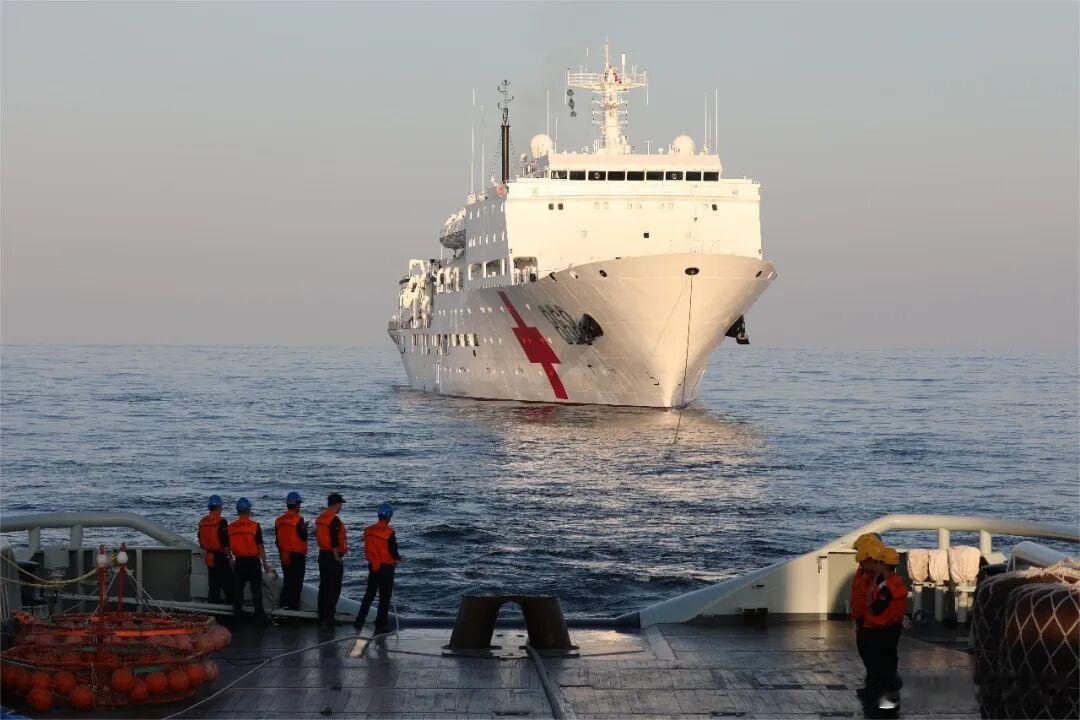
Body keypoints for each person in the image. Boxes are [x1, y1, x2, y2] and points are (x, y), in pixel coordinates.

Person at [863, 546, 909, 711]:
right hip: (892, 628)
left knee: (880, 665)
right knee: (889, 663)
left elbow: (876, 608)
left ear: (883, 564)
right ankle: (888, 697)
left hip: (882, 629)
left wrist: (869, 597)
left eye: (878, 562)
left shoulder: (886, 587)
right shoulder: (896, 581)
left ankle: (881, 699)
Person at [353, 502, 402, 634]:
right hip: (386, 568)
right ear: (389, 516)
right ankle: (381, 625)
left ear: (379, 515)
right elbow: (393, 552)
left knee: (369, 594)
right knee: (384, 598)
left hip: (373, 567)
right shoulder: (389, 533)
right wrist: (399, 558)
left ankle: (359, 620)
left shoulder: (368, 531)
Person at [228, 497, 272, 622]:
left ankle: (237, 616)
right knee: (256, 590)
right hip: (253, 561)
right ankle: (259, 616)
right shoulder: (254, 526)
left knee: (238, 590)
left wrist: (231, 559)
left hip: (239, 561)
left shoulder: (231, 527)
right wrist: (265, 563)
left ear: (238, 511)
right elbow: (260, 546)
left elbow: (227, 546)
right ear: (249, 510)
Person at [850, 533, 883, 690]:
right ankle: (872, 680)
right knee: (864, 651)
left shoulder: (876, 572)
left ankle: (875, 685)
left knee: (873, 654)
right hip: (861, 619)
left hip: (871, 621)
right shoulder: (862, 569)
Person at [315, 493, 348, 625]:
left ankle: (322, 616)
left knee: (324, 586)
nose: (341, 507)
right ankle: (329, 618)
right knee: (334, 588)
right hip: (332, 557)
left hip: (322, 554)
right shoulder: (334, 520)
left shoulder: (321, 518)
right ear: (337, 504)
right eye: (340, 504)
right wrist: (336, 556)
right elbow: (334, 539)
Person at [274, 491, 309, 610]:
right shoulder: (299, 519)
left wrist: (282, 552)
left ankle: (283, 606)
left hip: (284, 555)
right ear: (297, 505)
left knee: (287, 582)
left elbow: (277, 540)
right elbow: (303, 536)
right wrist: (305, 529)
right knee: (297, 584)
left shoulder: (278, 520)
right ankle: (293, 609)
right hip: (297, 556)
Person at [197, 495, 233, 604]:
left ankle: (213, 607)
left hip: (209, 558)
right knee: (228, 584)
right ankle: (231, 607)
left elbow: (200, 540)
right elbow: (225, 542)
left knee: (213, 586)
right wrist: (231, 558)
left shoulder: (202, 522)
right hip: (220, 557)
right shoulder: (221, 522)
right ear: (219, 507)